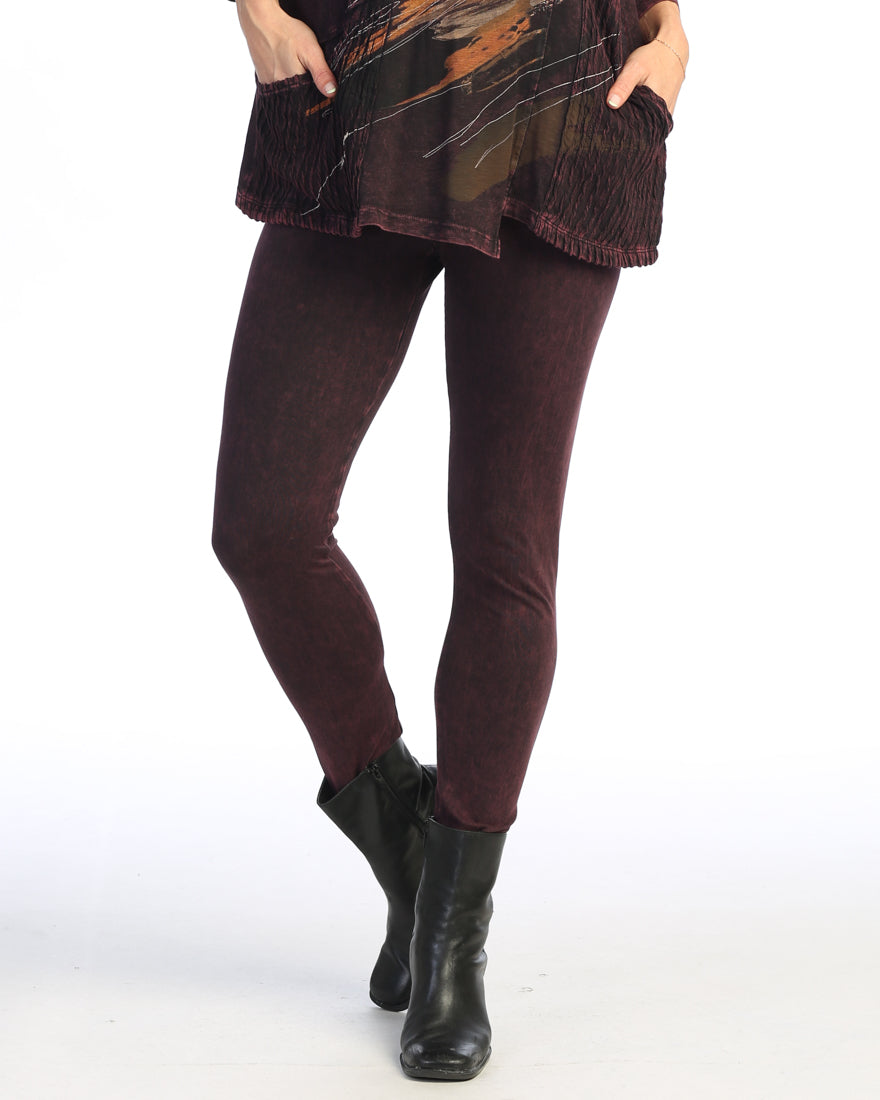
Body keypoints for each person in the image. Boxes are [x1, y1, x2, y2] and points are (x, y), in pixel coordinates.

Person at [212, 0, 688, 1081]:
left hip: (567, 89)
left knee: (505, 547)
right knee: (263, 522)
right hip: (361, 79)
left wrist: (672, 32)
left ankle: (450, 939)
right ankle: (413, 851)